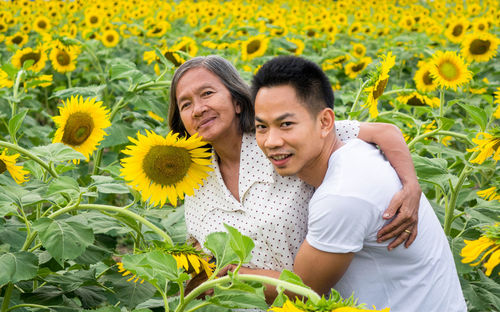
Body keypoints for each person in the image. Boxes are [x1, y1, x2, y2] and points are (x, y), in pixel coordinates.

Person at [167, 55, 422, 277]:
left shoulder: (278, 139)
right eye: (186, 104)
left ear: (236, 101)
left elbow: (384, 132)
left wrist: (411, 186)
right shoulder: (194, 179)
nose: (198, 109)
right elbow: (200, 255)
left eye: (207, 94)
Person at [251, 55, 466, 311]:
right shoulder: (355, 149)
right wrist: (412, 184)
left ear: (325, 122)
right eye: (261, 127)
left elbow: (302, 290)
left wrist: (229, 275)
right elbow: (386, 129)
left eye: (286, 124)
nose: (271, 141)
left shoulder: (342, 195)